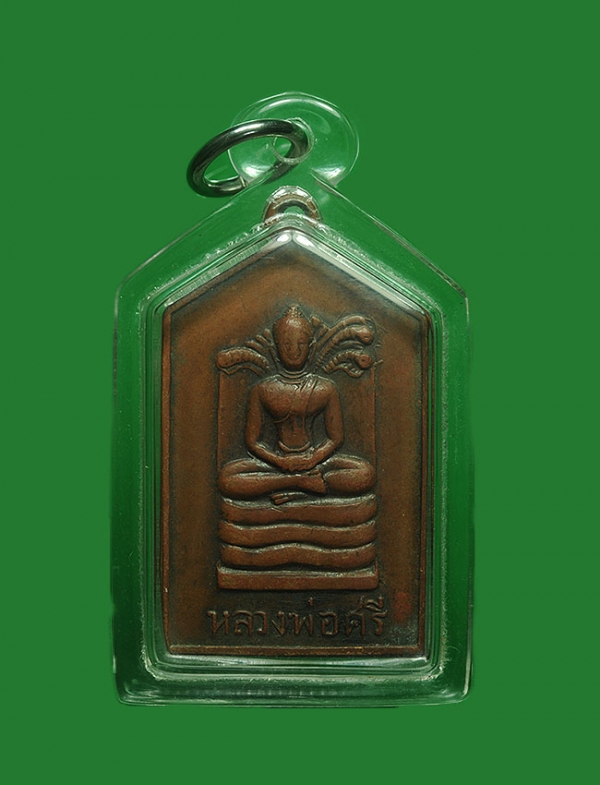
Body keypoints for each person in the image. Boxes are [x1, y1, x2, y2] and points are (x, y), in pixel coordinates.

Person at [218, 306, 375, 503]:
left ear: (311, 347)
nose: (294, 350)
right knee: (227, 478)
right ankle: (299, 483)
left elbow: (335, 438)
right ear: (275, 349)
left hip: (316, 462)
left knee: (365, 473)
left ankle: (291, 486)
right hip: (275, 463)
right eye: (286, 344)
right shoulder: (263, 389)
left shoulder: (325, 388)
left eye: (301, 343)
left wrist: (313, 459)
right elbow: (252, 442)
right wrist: (280, 461)